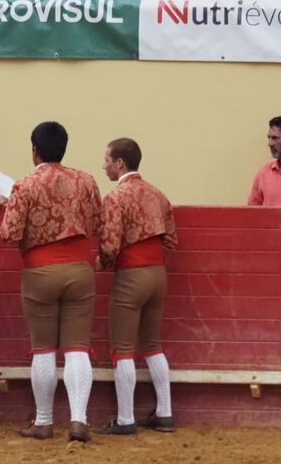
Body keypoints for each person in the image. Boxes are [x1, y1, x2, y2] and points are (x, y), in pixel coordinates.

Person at [0, 121, 102, 443]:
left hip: (40, 272)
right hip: (80, 270)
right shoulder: (85, 180)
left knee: (43, 350)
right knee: (76, 348)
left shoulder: (25, 185)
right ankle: (79, 421)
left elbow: (9, 233)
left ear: (34, 151)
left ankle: (44, 421)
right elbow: (99, 222)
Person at [98, 138, 177, 435]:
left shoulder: (115, 198)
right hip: (158, 274)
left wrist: (102, 263)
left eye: (106, 159)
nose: (103, 164)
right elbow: (171, 240)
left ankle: (125, 419)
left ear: (120, 163)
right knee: (153, 345)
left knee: (123, 349)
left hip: (131, 275)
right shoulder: (158, 194)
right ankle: (165, 413)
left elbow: (109, 245)